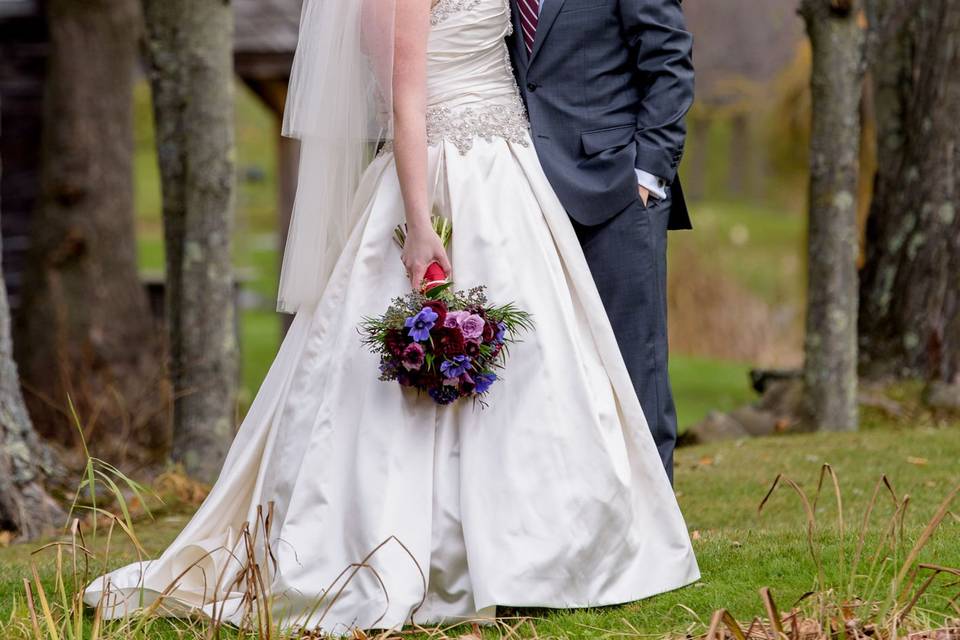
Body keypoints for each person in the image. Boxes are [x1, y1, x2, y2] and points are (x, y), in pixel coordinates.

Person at [83, 0, 699, 633]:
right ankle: (436, 555)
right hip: (440, 177)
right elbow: (403, 104)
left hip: (511, 177)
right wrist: (420, 223)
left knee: (545, 372)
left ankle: (547, 547)